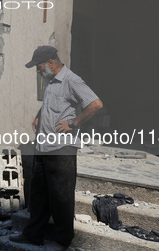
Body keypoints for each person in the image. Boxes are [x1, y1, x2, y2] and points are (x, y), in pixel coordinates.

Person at [10, 45, 103, 248]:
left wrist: (73, 123)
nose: (37, 70)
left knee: (61, 197)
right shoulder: (51, 81)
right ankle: (33, 234)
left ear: (51, 63)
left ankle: (62, 240)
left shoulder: (72, 80)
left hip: (62, 149)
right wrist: (38, 116)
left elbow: (95, 104)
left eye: (39, 67)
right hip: (44, 147)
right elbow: (52, 105)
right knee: (39, 194)